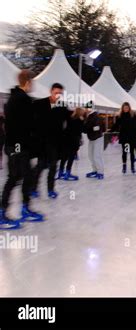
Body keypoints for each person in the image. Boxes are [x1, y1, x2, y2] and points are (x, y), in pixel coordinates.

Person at [1, 70, 44, 229]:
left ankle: (24, 208)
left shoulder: (14, 98)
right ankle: (3, 212)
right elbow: (28, 125)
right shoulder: (22, 99)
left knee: (23, 176)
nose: (33, 85)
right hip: (18, 146)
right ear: (27, 82)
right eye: (32, 82)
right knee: (15, 177)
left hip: (16, 146)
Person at [30, 83, 70, 199]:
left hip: (55, 143)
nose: (58, 95)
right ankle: (33, 188)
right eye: (56, 93)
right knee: (41, 166)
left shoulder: (62, 106)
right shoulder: (39, 104)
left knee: (53, 166)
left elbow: (68, 122)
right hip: (42, 142)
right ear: (51, 91)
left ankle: (50, 189)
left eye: (60, 94)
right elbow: (32, 122)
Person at [111, 102, 136, 174]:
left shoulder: (133, 115)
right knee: (125, 152)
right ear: (122, 108)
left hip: (132, 137)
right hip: (125, 138)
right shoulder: (120, 116)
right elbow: (116, 125)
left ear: (129, 108)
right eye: (124, 108)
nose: (125, 109)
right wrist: (111, 130)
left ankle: (132, 167)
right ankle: (124, 166)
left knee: (132, 153)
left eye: (127, 108)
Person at [58, 107, 86, 180]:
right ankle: (67, 173)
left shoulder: (69, 118)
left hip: (66, 140)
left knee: (64, 157)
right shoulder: (80, 120)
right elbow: (81, 130)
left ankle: (60, 172)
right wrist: (82, 121)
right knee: (71, 157)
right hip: (74, 141)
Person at [84, 104, 105, 180]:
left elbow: (95, 127)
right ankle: (95, 170)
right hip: (92, 138)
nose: (85, 110)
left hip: (97, 138)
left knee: (96, 155)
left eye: (86, 108)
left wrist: (88, 129)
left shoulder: (95, 116)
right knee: (90, 155)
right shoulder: (89, 116)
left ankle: (100, 172)